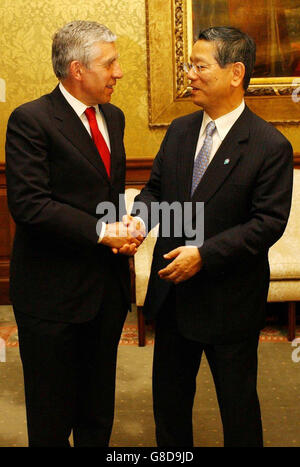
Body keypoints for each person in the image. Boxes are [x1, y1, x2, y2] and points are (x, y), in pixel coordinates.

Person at [130, 26, 294, 447]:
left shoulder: (268, 145)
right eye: (189, 65)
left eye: (200, 66)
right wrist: (140, 221)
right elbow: (154, 190)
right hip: (173, 297)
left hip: (229, 301)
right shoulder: (181, 130)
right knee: (169, 407)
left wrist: (204, 255)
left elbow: (267, 223)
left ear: (235, 72)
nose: (191, 75)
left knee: (238, 409)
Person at [5, 20, 141, 447]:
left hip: (105, 289)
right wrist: (103, 232)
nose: (119, 72)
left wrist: (126, 228)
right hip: (52, 294)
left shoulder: (113, 117)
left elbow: (106, 194)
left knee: (97, 410)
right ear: (77, 69)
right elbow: (29, 205)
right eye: (110, 63)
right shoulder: (31, 120)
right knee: (50, 413)